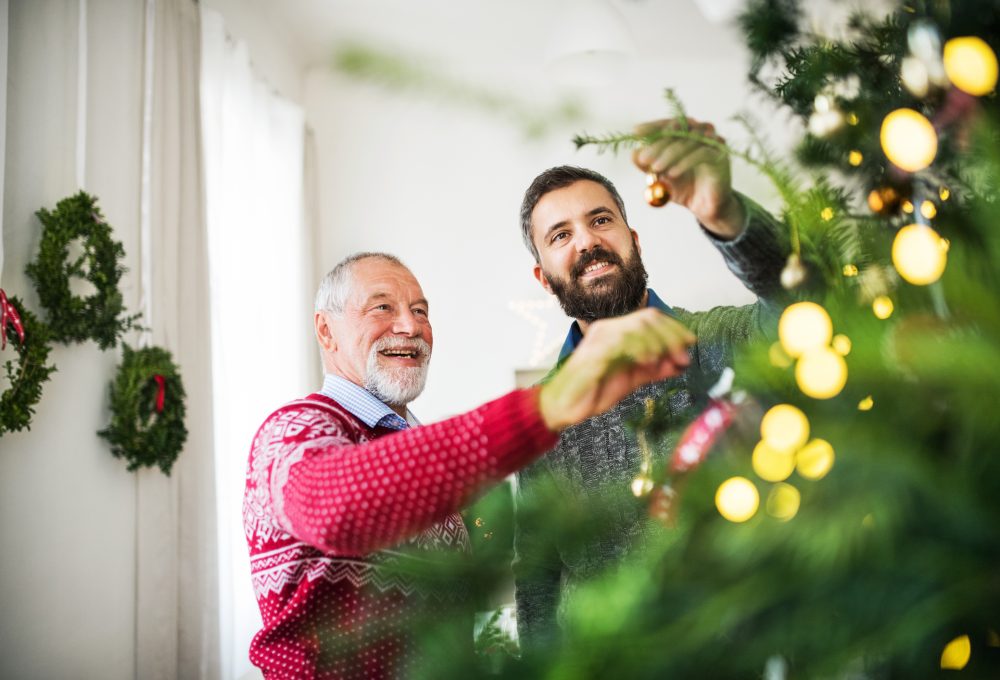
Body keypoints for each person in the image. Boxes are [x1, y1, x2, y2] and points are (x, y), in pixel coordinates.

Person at [243, 250, 698, 679]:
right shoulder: (294, 429)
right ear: (326, 331)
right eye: (382, 308)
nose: (410, 326)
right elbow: (333, 507)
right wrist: (546, 405)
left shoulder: (422, 459)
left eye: (421, 311)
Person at [513, 118, 791, 652]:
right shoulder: (538, 413)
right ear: (543, 276)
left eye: (601, 220)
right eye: (561, 235)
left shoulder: (724, 338)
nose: (589, 241)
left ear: (633, 239)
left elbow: (801, 308)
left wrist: (726, 215)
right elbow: (538, 574)